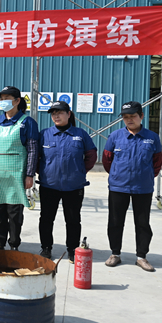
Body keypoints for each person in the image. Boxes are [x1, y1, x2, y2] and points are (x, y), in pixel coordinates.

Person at [102, 101, 162, 272]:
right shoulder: (115, 136)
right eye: (125, 117)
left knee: (142, 223)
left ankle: (141, 256)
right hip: (118, 186)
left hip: (143, 188)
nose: (129, 119)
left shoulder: (152, 137)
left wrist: (146, 176)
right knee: (115, 221)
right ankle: (115, 253)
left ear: (141, 116)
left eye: (133, 116)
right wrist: (117, 175)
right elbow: (107, 160)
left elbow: (157, 162)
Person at [0, 86, 39, 251]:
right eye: (1, 99)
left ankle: (14, 245)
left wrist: (29, 175)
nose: (3, 102)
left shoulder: (27, 123)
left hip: (16, 175)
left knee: (14, 213)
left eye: (7, 99)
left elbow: (33, 150)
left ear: (17, 101)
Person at [37, 101, 97, 263]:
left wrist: (80, 171)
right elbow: (35, 157)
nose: (56, 116)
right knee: (46, 218)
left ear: (69, 114)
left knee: (72, 220)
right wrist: (43, 172)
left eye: (60, 112)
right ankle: (46, 248)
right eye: (53, 113)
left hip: (74, 186)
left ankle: (72, 249)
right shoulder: (44, 134)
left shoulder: (80, 134)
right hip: (49, 185)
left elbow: (91, 155)